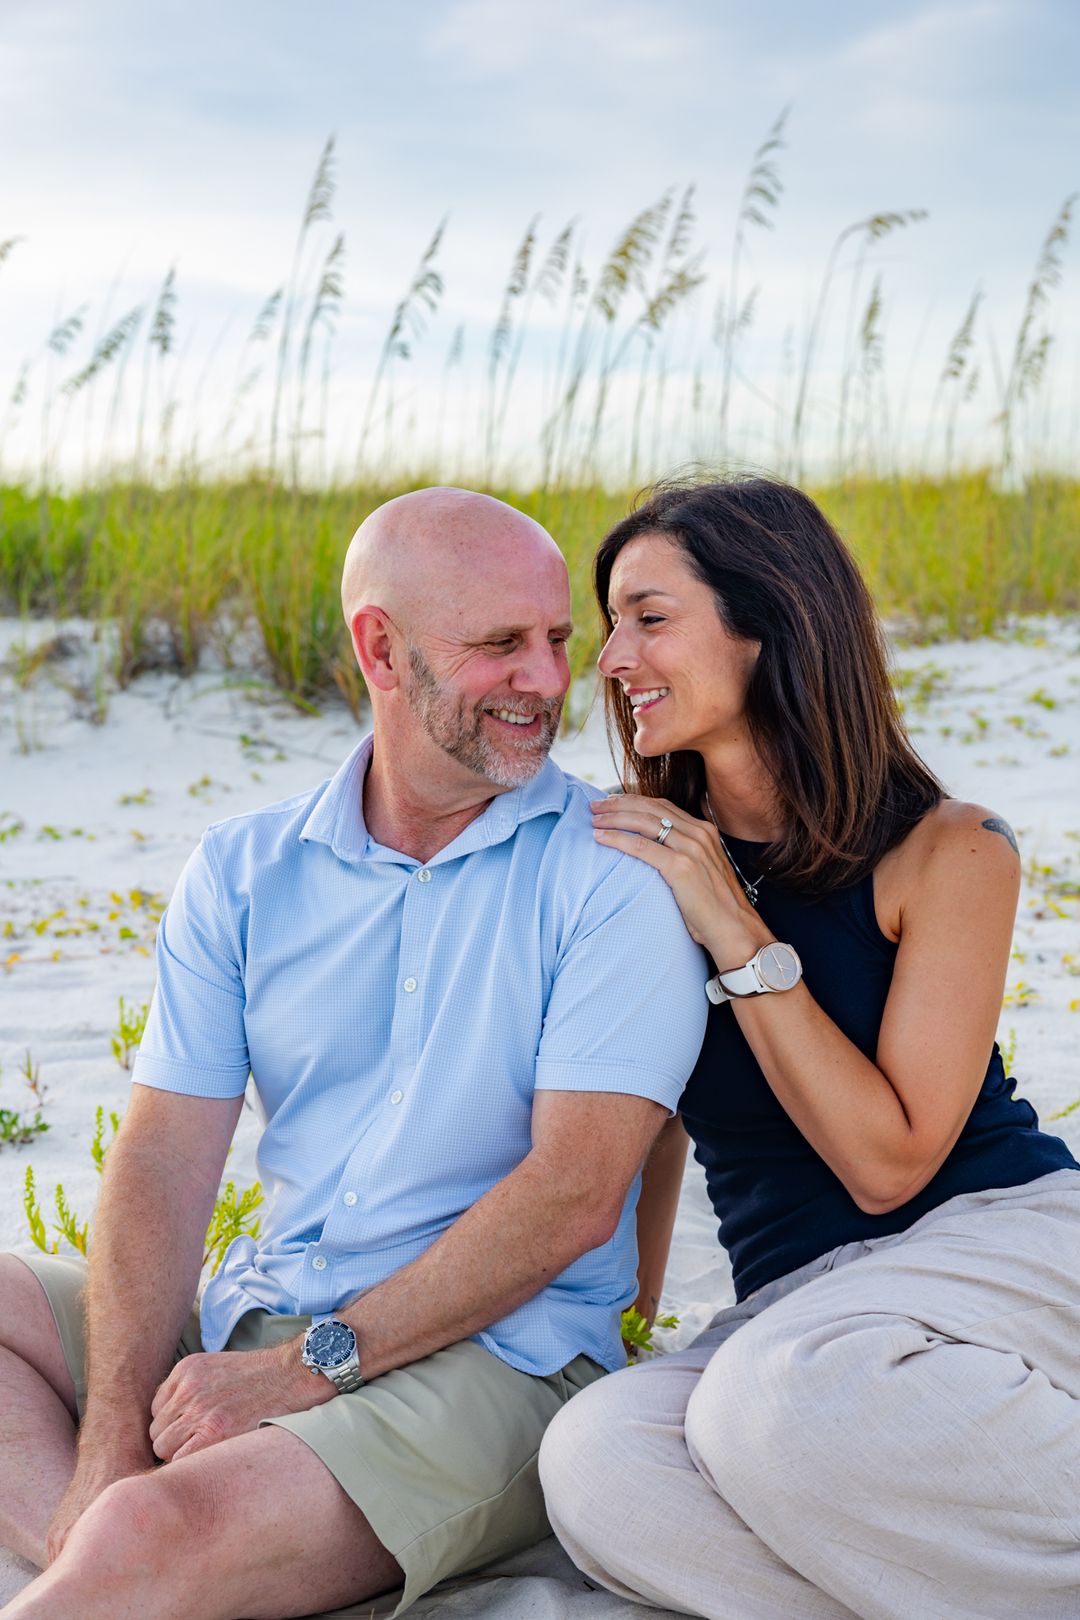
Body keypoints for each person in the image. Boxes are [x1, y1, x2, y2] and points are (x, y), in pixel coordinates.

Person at [0, 487, 708, 1620]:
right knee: (113, 1497)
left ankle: (134, 1562)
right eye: (499, 645)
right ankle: (107, 1565)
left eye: (558, 640)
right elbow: (164, 1165)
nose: (549, 678)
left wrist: (297, 1375)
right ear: (380, 648)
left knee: (147, 1526)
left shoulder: (617, 877)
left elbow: (574, 1197)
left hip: (503, 1366)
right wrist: (102, 1449)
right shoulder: (244, 869)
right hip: (264, 1312)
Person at [538, 476, 1080, 1620]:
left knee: (773, 1404)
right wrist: (631, 1316)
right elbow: (650, 1125)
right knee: (596, 1461)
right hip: (797, 1307)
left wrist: (735, 926)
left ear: (769, 622)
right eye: (607, 625)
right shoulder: (642, 872)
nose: (610, 658)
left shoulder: (952, 851)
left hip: (990, 1242)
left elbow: (890, 1164)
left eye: (649, 616)